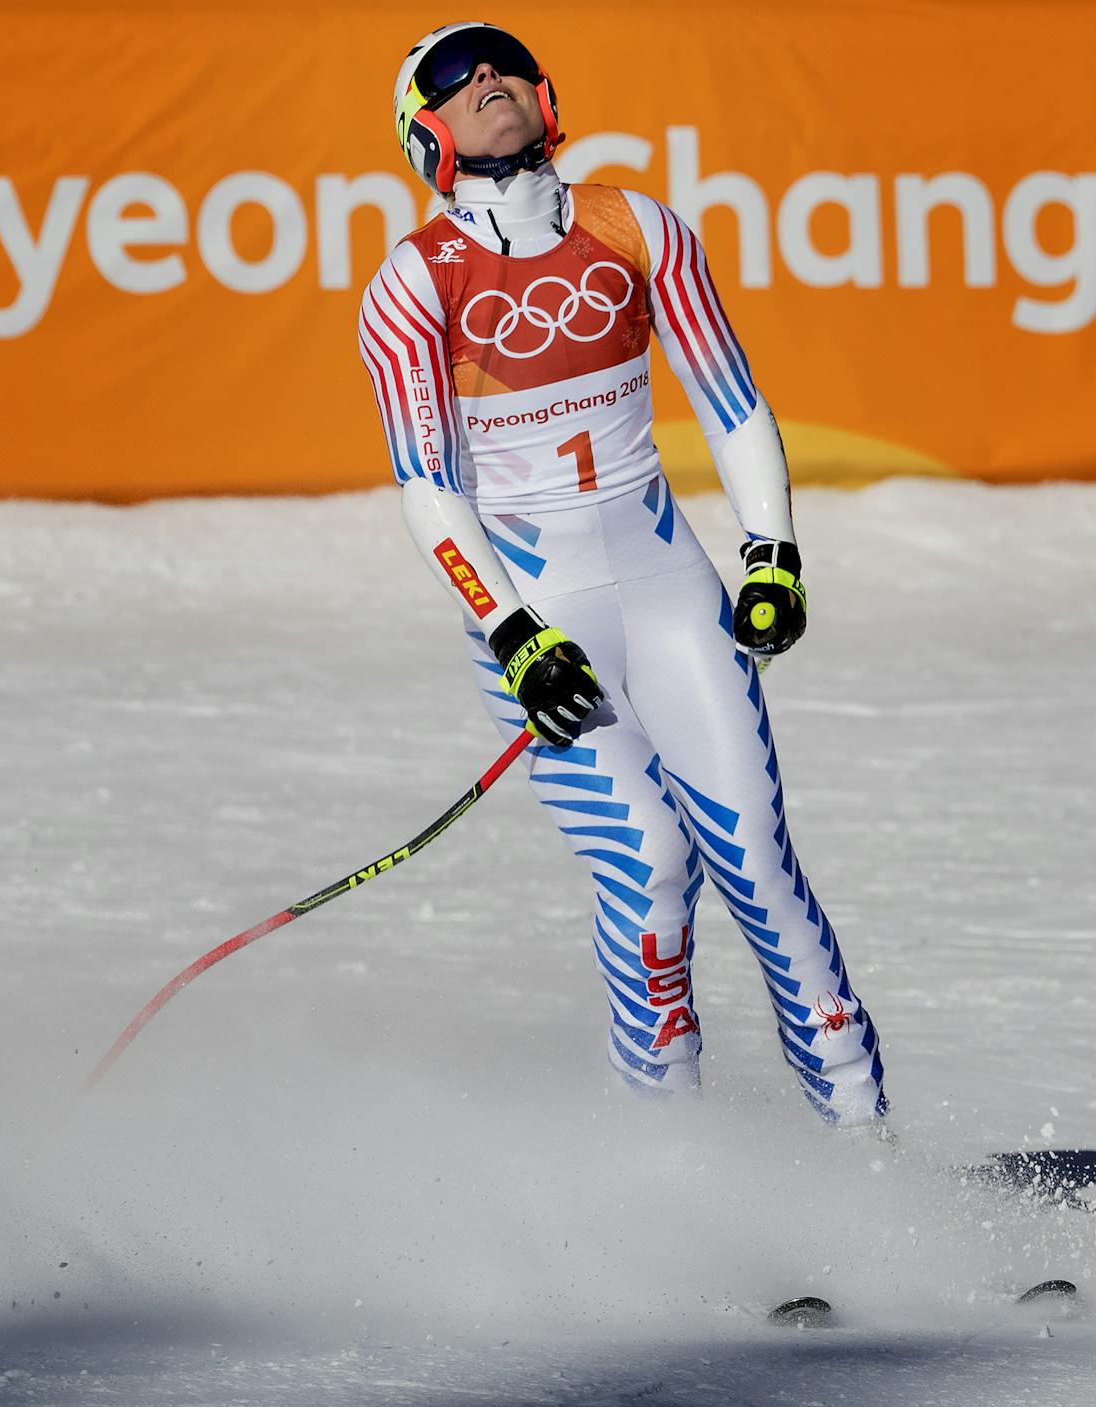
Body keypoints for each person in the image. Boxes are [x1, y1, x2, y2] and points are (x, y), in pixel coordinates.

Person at [358, 22, 887, 1126]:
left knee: (762, 878)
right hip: (538, 616)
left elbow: (730, 399)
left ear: (543, 94)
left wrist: (772, 552)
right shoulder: (414, 282)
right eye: (454, 79)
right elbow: (428, 486)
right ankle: (672, 1198)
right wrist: (511, 631)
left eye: (501, 60)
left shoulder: (633, 224)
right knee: (648, 870)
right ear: (426, 135)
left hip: (667, 592)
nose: (486, 79)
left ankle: (870, 1181)